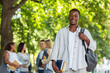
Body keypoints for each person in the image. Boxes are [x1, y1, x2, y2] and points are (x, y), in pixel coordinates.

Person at [50, 8, 96, 73]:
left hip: (81, 67)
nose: (73, 17)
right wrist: (53, 64)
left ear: (79, 18)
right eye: (71, 15)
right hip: (65, 67)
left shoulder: (85, 32)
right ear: (69, 17)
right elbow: (55, 48)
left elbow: (93, 47)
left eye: (76, 16)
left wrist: (86, 39)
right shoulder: (61, 32)